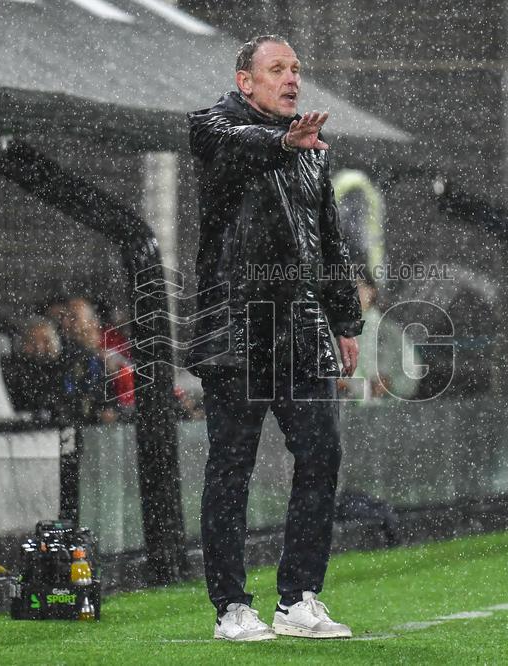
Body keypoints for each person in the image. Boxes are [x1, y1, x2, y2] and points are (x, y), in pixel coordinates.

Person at [187, 35, 363, 641]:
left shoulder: (312, 150)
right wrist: (279, 143)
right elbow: (234, 149)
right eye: (277, 69)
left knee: (321, 454)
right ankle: (231, 608)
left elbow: (330, 241)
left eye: (296, 69)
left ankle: (299, 600)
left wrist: (345, 321)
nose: (291, 79)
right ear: (245, 81)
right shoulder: (212, 128)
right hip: (237, 326)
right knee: (231, 467)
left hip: (301, 327)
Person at [1, 316, 66, 419]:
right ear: (22, 345)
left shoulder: (66, 367)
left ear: (57, 342)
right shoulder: (14, 372)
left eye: (46, 341)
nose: (39, 348)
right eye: (32, 342)